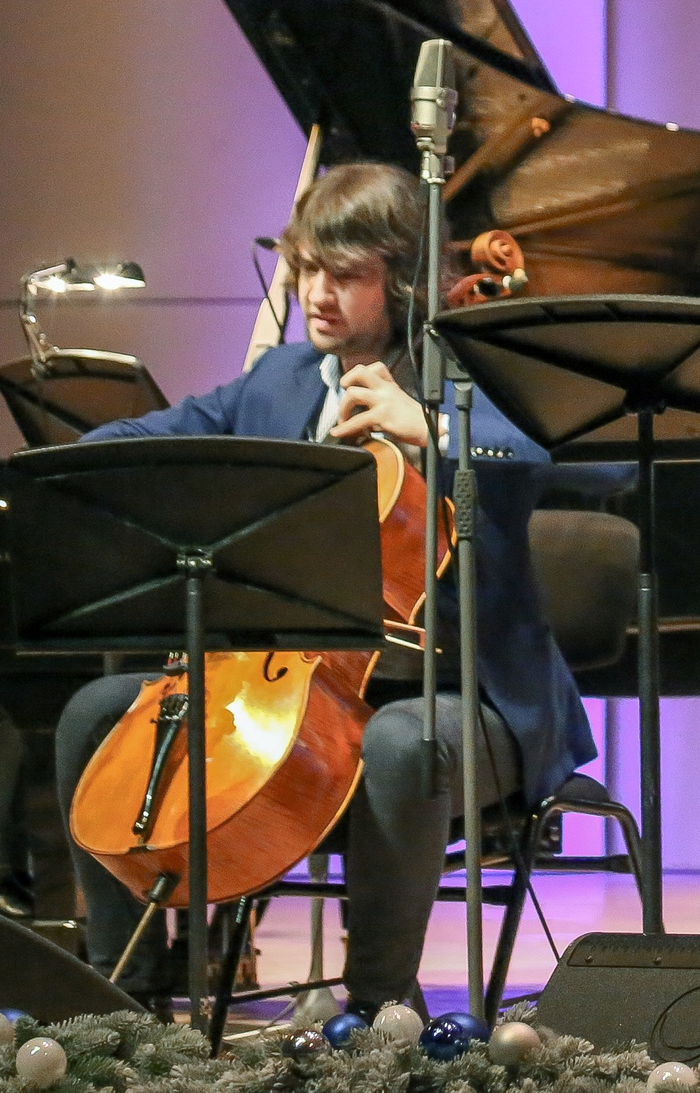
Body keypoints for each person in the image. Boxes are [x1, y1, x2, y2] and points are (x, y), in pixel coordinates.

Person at [53, 163, 594, 1014]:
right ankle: (132, 999)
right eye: (307, 270)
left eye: (345, 276)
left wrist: (432, 427)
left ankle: (380, 1004)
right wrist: (65, 463)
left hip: (460, 698)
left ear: (405, 281)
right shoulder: (282, 381)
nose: (316, 294)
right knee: (95, 714)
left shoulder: (464, 376)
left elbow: (569, 453)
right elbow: (159, 432)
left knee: (400, 745)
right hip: (292, 694)